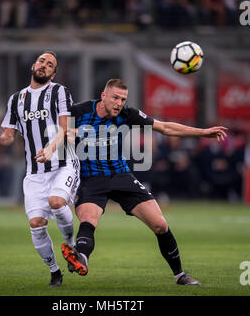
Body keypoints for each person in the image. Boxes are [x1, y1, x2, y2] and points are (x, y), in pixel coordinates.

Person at [61, 79, 228, 286]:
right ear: (103, 96)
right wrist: (70, 135)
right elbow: (56, 131)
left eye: (123, 99)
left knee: (160, 224)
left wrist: (202, 132)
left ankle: (180, 275)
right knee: (88, 218)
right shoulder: (79, 111)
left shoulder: (127, 114)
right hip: (91, 179)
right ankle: (81, 258)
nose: (119, 103)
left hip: (121, 176)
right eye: (115, 98)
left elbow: (165, 127)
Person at [0, 51, 80, 287]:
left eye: (50, 64)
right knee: (36, 224)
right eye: (41, 61)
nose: (44, 65)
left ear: (53, 73)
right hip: (35, 173)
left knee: (57, 202)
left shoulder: (59, 92)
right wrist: (0, 140)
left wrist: (50, 149)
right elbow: (9, 135)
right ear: (33, 65)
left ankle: (71, 246)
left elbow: (65, 129)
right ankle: (54, 272)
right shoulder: (16, 99)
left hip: (62, 163)